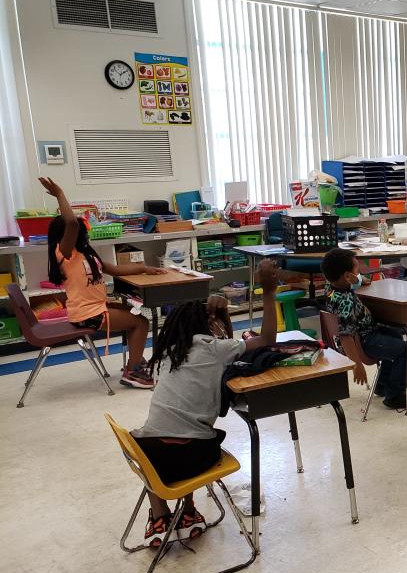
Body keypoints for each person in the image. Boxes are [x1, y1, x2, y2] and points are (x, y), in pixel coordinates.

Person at [131, 260, 279, 547]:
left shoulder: (166, 354)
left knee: (154, 441)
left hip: (149, 456)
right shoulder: (212, 348)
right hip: (193, 455)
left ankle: (160, 517)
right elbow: (267, 339)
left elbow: (226, 347)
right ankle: (186, 511)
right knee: (193, 439)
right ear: (208, 326)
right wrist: (268, 292)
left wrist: (218, 317)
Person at [41, 177, 164, 389]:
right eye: (81, 230)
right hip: (87, 314)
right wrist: (60, 194)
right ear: (66, 236)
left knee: (132, 313)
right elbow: (70, 222)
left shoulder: (84, 253)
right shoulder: (65, 254)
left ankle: (133, 362)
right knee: (141, 321)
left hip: (97, 308)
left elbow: (114, 269)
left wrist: (144, 268)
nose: (84, 232)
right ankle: (133, 371)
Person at [319, 248, 407, 410]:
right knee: (405, 349)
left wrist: (358, 280)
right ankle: (395, 395)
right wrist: (357, 365)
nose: (359, 272)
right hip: (365, 340)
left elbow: (351, 282)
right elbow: (346, 336)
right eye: (356, 270)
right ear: (347, 276)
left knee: (395, 335)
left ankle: (382, 385)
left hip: (366, 332)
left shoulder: (331, 289)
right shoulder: (346, 301)